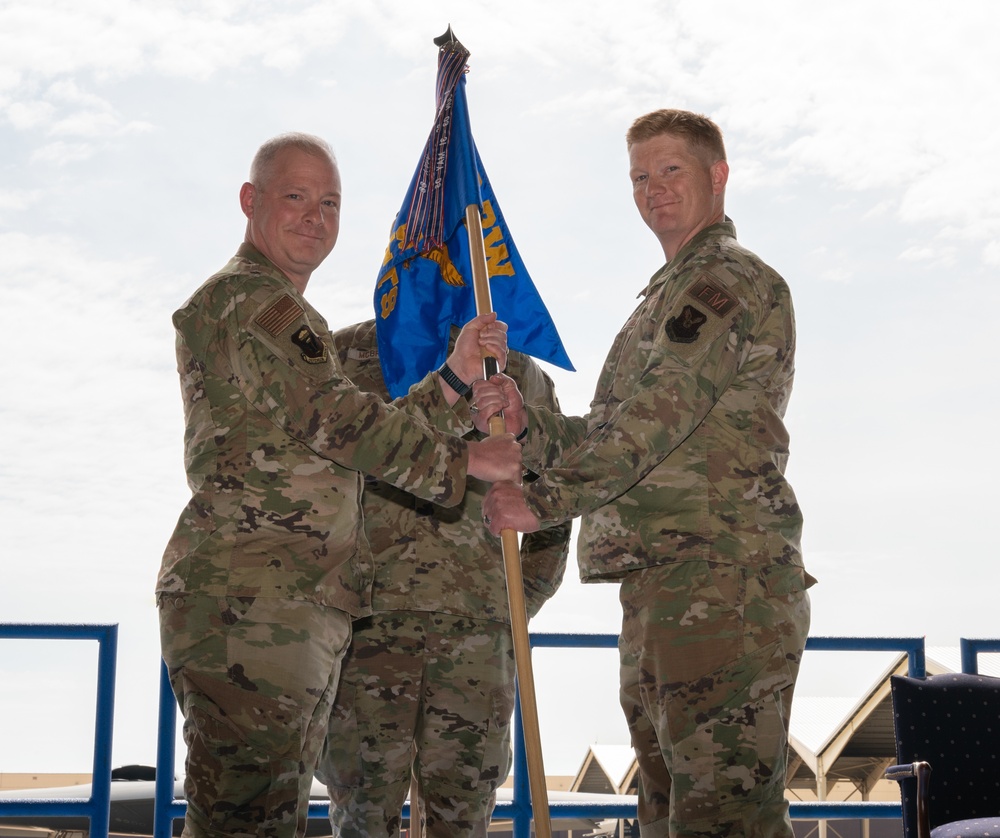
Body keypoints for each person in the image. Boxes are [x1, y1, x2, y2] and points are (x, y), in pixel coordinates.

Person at [157, 132, 523, 838]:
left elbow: (344, 439)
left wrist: (449, 379)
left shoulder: (283, 313)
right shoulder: (252, 301)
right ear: (250, 201)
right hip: (253, 605)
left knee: (271, 817)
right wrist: (463, 463)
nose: (314, 217)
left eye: (330, 203)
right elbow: (338, 421)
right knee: (248, 820)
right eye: (295, 197)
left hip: (287, 603)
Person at [477, 109, 816, 838]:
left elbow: (655, 423)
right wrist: (529, 426)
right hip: (666, 584)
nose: (655, 190)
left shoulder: (724, 282)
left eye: (673, 171)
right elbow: (613, 433)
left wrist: (540, 501)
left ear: (717, 176)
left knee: (725, 822)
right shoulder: (660, 302)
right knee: (667, 815)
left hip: (721, 582)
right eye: (640, 176)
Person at [315, 320, 571, 838]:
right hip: (368, 624)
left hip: (477, 629)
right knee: (362, 808)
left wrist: (517, 600)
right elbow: (322, 473)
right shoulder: (344, 353)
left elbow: (557, 488)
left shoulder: (518, 370)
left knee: (464, 808)